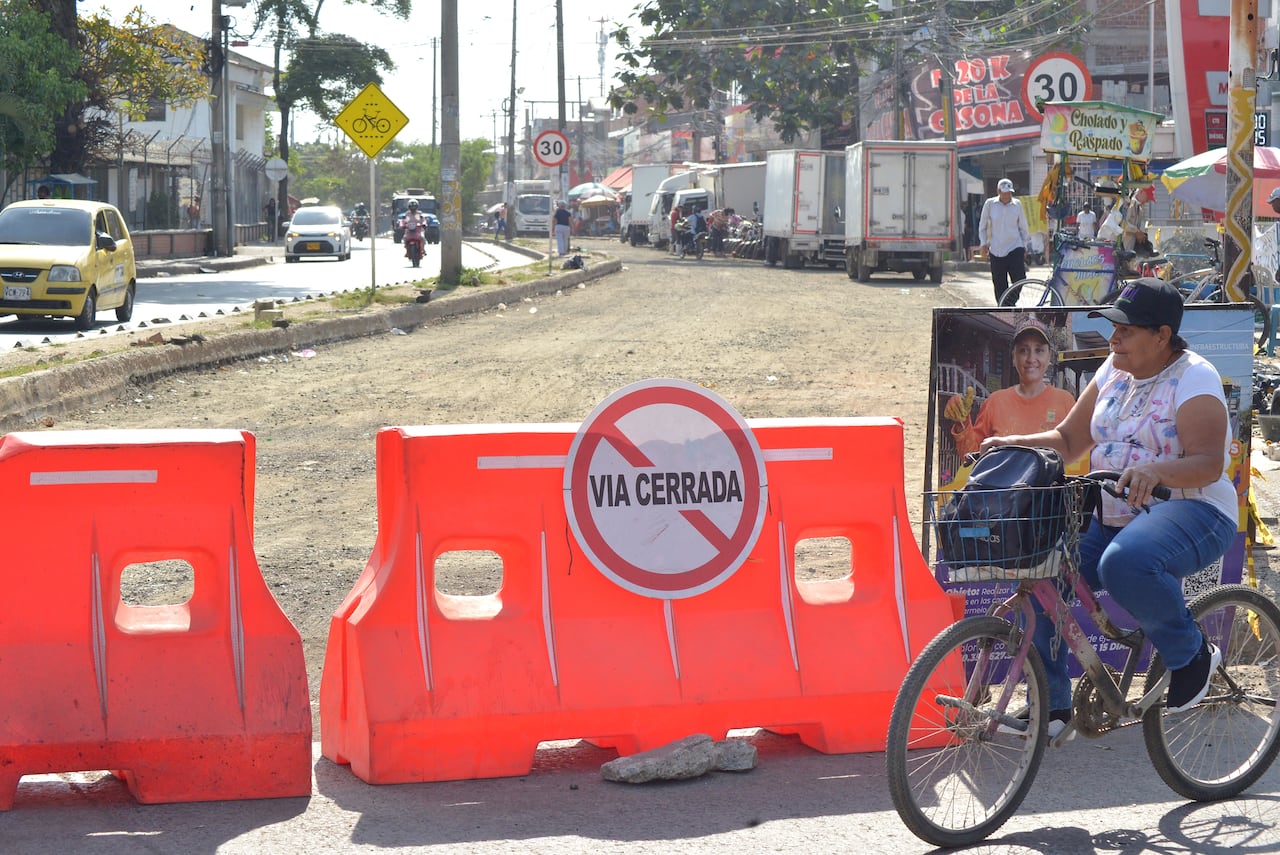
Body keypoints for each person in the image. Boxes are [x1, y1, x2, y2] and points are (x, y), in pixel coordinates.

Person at [983, 278, 1237, 738]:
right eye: (1112, 326)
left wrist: (1156, 471)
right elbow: (1068, 440)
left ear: (1162, 335)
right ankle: (1053, 707)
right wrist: (1011, 443)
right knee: (1045, 571)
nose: (1114, 337)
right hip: (1113, 511)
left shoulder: (1195, 377)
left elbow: (1208, 463)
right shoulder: (1112, 371)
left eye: (1126, 329)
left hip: (1195, 510)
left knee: (1125, 563)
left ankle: (1191, 654)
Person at [949, 317, 1078, 467]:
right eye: (1023, 350)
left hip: (1050, 490)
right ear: (1013, 358)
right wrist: (961, 422)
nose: (1031, 358)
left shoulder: (1065, 402)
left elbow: (1078, 453)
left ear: (1049, 356)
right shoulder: (995, 402)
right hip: (1003, 489)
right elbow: (971, 458)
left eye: (1039, 350)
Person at [978, 178, 1031, 303]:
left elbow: (1023, 227)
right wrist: (983, 243)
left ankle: (1010, 302)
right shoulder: (990, 204)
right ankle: (1003, 307)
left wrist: (1025, 245)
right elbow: (983, 226)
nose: (1007, 196)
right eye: (1005, 193)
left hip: (1015, 246)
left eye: (1009, 193)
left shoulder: (1017, 204)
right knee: (999, 281)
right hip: (996, 248)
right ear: (998, 191)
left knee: (1019, 278)